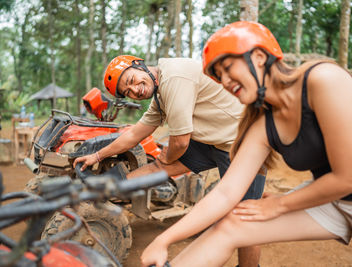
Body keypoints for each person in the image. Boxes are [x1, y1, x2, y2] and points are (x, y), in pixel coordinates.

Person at [140, 21, 352, 267]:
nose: (226, 81)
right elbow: (226, 193)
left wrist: (280, 204)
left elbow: (351, 177)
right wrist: (164, 240)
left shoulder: (323, 79)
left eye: (227, 68)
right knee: (232, 224)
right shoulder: (262, 125)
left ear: (259, 57)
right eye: (218, 75)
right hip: (333, 200)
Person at [73, 55, 266, 267]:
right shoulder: (160, 95)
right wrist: (98, 155)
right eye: (128, 92)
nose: (135, 90)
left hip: (243, 141)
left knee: (243, 217)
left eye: (131, 81)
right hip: (214, 141)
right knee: (159, 165)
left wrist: (168, 157)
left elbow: (181, 143)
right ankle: (107, 187)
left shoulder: (175, 76)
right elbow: (135, 132)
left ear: (139, 65)